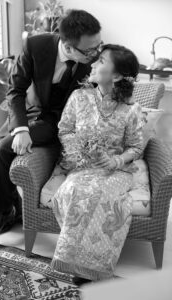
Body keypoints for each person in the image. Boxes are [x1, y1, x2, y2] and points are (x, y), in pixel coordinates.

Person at [0, 9, 102, 238]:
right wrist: (21, 128)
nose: (95, 54)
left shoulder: (94, 60)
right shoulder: (36, 45)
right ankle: (16, 209)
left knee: (5, 148)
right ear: (68, 45)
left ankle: (1, 215)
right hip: (32, 112)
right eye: (90, 50)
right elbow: (15, 90)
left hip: (61, 119)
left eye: (98, 46)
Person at [48, 44, 144, 284]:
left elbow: (136, 147)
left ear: (118, 75)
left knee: (103, 194)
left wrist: (115, 160)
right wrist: (80, 150)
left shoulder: (131, 109)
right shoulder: (79, 97)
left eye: (100, 61)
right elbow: (65, 130)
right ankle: (75, 260)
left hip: (117, 170)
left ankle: (91, 266)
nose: (92, 64)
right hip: (82, 166)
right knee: (73, 191)